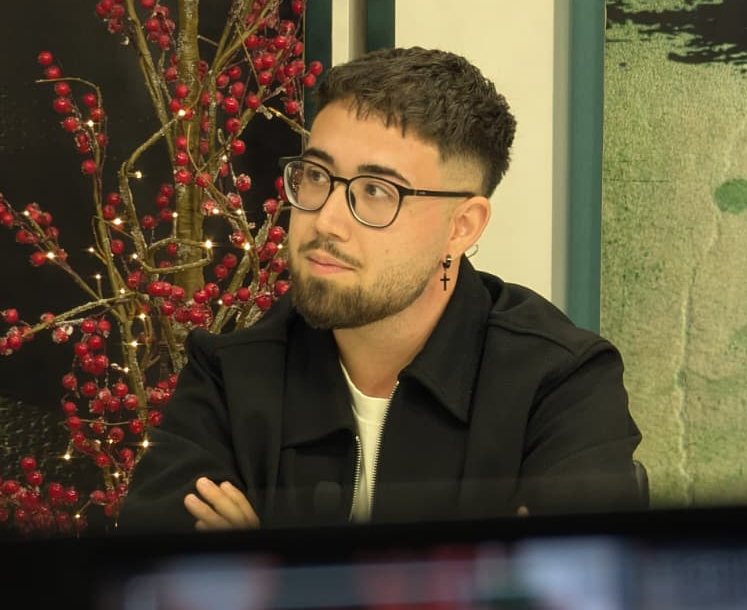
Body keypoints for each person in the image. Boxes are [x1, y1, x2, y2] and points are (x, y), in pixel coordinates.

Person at [118, 46, 645, 534]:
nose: (326, 220)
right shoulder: (228, 376)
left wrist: (272, 579)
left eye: (376, 191)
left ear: (461, 227)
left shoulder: (562, 385)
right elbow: (163, 589)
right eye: (315, 175)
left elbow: (567, 597)